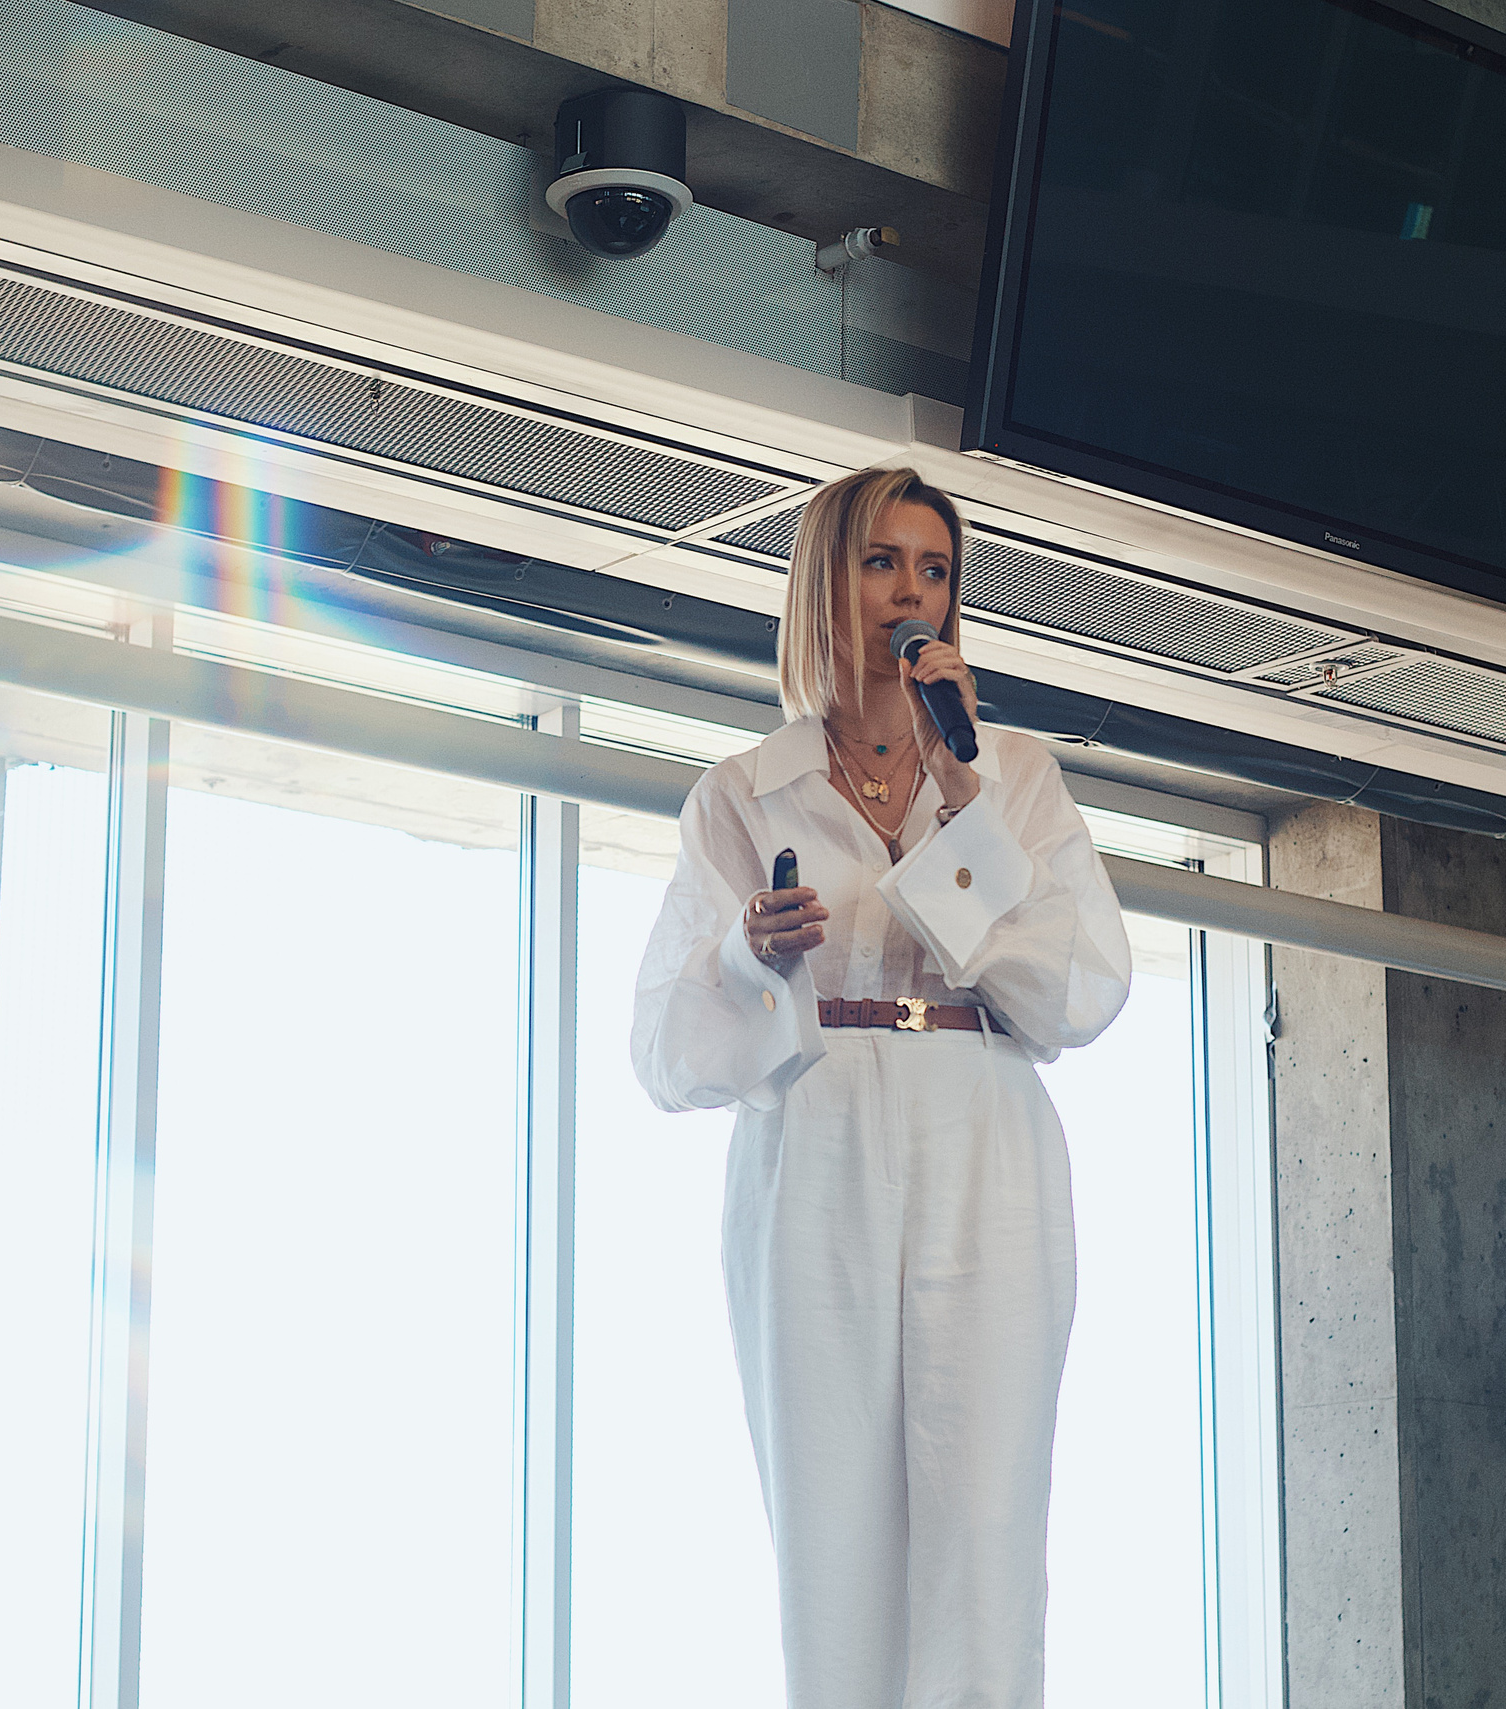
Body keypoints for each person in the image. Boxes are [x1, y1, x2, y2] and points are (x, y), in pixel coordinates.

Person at [631, 466, 1132, 1707]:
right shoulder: (740, 792)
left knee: (987, 1521)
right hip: (818, 1135)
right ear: (825, 585)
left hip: (983, 1129)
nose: (910, 593)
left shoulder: (1011, 774)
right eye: (880, 563)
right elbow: (665, 1048)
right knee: (833, 1514)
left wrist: (962, 806)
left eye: (934, 569)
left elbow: (1080, 992)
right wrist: (752, 949)